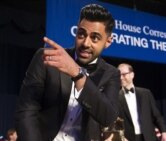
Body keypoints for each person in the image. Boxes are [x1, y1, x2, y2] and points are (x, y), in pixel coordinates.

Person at [15, 4, 121, 141]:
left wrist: (77, 74)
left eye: (95, 38)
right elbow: (26, 111)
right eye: (81, 34)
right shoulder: (47, 57)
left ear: (108, 42)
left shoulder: (111, 74)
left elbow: (108, 117)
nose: (86, 43)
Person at [117, 63, 166, 141]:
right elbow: (114, 121)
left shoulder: (146, 93)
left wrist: (164, 132)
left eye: (124, 74)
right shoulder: (115, 97)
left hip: (148, 137)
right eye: (119, 75)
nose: (121, 78)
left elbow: (156, 115)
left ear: (132, 75)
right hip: (128, 138)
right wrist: (120, 137)